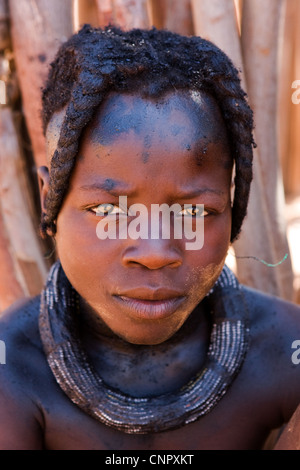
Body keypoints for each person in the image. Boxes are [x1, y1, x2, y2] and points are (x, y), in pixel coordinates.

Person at [0, 24, 299, 451]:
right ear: (51, 202)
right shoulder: (12, 369)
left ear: (232, 209)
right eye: (108, 211)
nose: (156, 253)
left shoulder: (286, 349)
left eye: (193, 212)